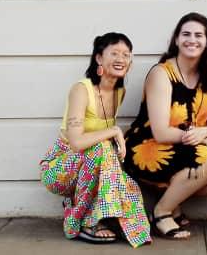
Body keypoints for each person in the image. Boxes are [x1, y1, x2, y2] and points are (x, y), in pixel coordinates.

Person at [123, 12, 207, 240]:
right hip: (147, 146)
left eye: (198, 35)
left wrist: (205, 131)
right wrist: (205, 139)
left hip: (186, 147)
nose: (191, 40)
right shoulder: (162, 73)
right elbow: (161, 132)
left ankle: (171, 199)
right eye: (185, 34)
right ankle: (161, 213)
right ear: (176, 39)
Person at [39, 33, 151, 246]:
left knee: (115, 164)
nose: (121, 59)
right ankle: (80, 222)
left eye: (126, 55)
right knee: (101, 147)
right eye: (114, 53)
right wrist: (114, 131)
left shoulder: (120, 92)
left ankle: (115, 220)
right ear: (99, 58)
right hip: (59, 169)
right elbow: (77, 143)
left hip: (91, 164)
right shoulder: (82, 89)